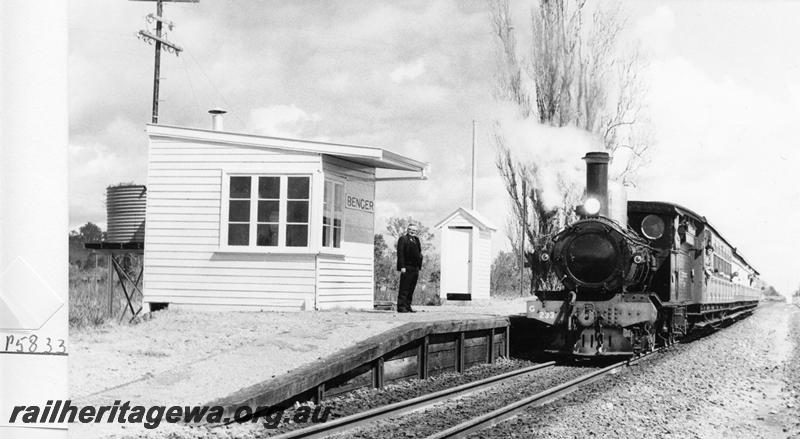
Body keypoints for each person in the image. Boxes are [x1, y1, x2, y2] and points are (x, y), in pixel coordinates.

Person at [396, 223, 423, 313]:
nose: (413, 231)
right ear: (408, 230)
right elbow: (400, 254)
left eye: (414, 230)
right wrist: (402, 266)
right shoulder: (403, 239)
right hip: (407, 267)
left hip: (415, 268)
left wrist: (419, 265)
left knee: (411, 288)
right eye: (411, 230)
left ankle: (408, 306)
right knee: (404, 288)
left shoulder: (416, 239)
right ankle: (401, 307)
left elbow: (419, 253)